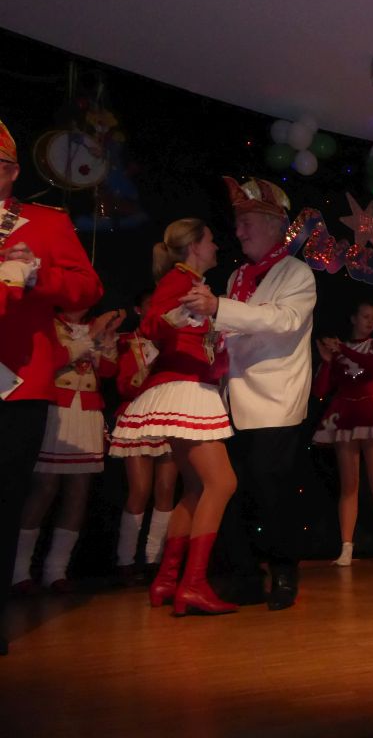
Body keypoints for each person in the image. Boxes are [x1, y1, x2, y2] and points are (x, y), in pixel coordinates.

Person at [181, 177, 316, 611]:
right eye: (237, 223)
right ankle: (245, 575)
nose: (238, 232)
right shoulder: (239, 275)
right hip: (231, 398)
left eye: (246, 223)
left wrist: (219, 309)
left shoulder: (296, 273)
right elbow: (230, 329)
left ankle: (283, 571)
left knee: (271, 491)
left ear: (274, 225)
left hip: (275, 399)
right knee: (235, 493)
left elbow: (283, 320)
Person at [0, 118, 103, 654]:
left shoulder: (45, 221)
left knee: (6, 496)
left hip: (18, 381)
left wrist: (39, 274)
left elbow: (88, 285)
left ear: (13, 171)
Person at [111, 218, 237, 614]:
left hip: (189, 384)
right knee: (223, 483)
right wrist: (179, 315)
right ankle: (193, 584)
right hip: (184, 388)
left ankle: (167, 580)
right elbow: (152, 324)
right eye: (211, 240)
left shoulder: (193, 284)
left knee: (196, 488)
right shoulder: (178, 279)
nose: (216, 246)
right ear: (195, 246)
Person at [12, 306, 120, 593]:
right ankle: (19, 572)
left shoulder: (95, 325)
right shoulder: (49, 323)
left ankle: (56, 571)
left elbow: (109, 371)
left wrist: (107, 337)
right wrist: (91, 336)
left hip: (87, 410)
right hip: (56, 407)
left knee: (78, 491)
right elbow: (51, 360)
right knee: (44, 488)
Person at [313, 302, 373, 566]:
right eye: (365, 317)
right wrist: (328, 362)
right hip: (345, 416)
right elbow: (319, 390)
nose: (370, 322)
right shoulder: (338, 350)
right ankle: (346, 547)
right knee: (349, 485)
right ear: (353, 318)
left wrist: (342, 350)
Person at [109, 289, 179, 581]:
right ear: (139, 309)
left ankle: (153, 559)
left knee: (166, 489)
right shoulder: (126, 342)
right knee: (139, 490)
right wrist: (151, 369)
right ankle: (125, 561)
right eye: (151, 305)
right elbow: (124, 386)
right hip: (136, 416)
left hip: (169, 417)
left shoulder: (173, 341)